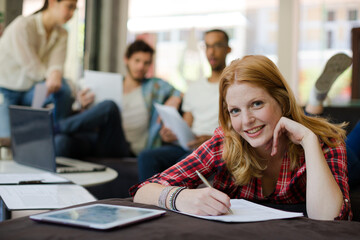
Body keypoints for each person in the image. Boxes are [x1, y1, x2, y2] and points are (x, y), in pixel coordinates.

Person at [130, 55, 351, 221]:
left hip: (340, 158)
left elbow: (331, 220)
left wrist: (309, 141)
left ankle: (315, 100)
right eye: (235, 110)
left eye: (257, 104)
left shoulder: (323, 142)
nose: (246, 121)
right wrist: (180, 197)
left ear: (282, 101)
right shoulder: (226, 142)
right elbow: (144, 191)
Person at [55, 39, 182, 159]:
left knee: (110, 106)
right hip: (99, 138)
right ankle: (58, 132)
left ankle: (55, 127)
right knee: (62, 141)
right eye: (137, 61)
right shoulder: (110, 84)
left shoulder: (154, 86)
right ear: (126, 59)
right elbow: (95, 115)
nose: (140, 67)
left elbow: (180, 92)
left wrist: (175, 99)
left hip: (125, 147)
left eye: (146, 63)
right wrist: (82, 104)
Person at [137, 29, 231, 181]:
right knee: (146, 157)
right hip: (191, 145)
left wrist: (211, 138)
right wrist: (172, 136)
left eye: (217, 46)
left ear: (228, 49)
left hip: (215, 146)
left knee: (182, 162)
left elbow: (238, 129)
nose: (211, 52)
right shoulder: (194, 88)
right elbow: (186, 125)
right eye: (207, 46)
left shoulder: (233, 86)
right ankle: (149, 201)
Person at [0, 0, 76, 138]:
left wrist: (56, 74)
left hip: (30, 90)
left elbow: (56, 65)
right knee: (7, 143)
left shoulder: (62, 33)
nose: (72, 14)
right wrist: (52, 75)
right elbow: (32, 67)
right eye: (69, 7)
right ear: (52, 3)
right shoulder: (23, 25)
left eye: (74, 9)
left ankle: (57, 133)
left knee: (64, 89)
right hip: (6, 91)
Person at [305, 53, 360, 187]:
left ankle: (315, 100)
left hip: (322, 160)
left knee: (322, 146)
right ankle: (315, 99)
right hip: (337, 168)